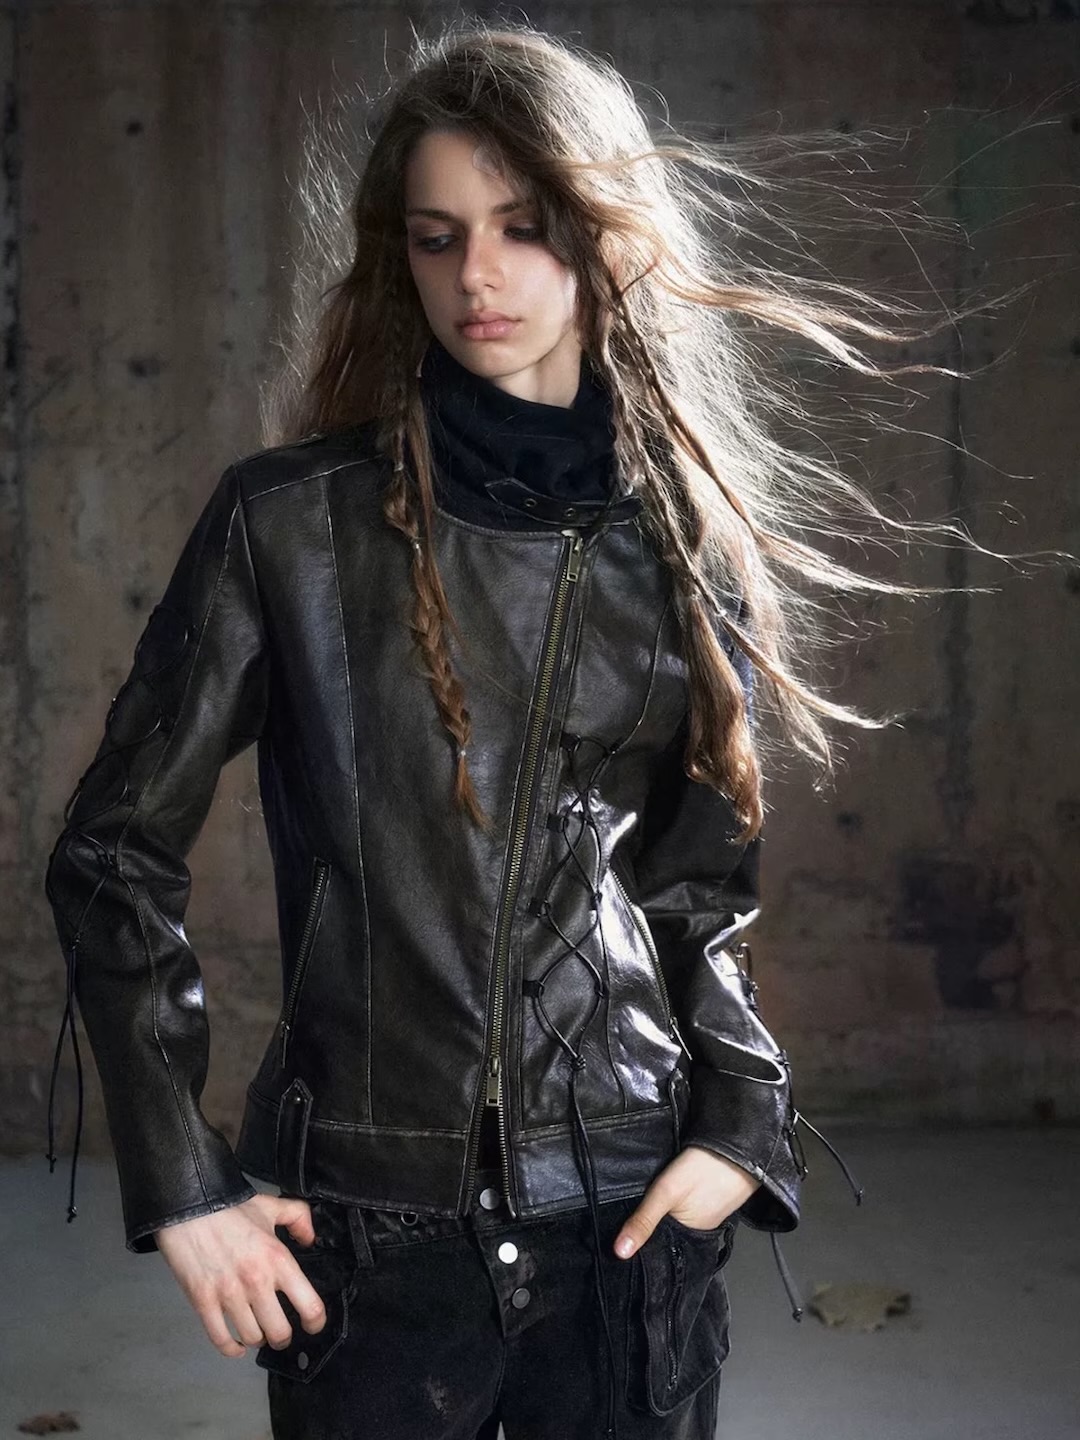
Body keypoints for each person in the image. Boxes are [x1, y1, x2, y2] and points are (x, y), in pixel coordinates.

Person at [44, 18, 1039, 1440]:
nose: (478, 275)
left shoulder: (685, 543)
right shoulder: (291, 526)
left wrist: (739, 1125)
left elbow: (697, 890)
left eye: (524, 227)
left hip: (632, 1221)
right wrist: (184, 1184)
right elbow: (111, 854)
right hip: (374, 1233)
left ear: (602, 237)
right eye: (437, 236)